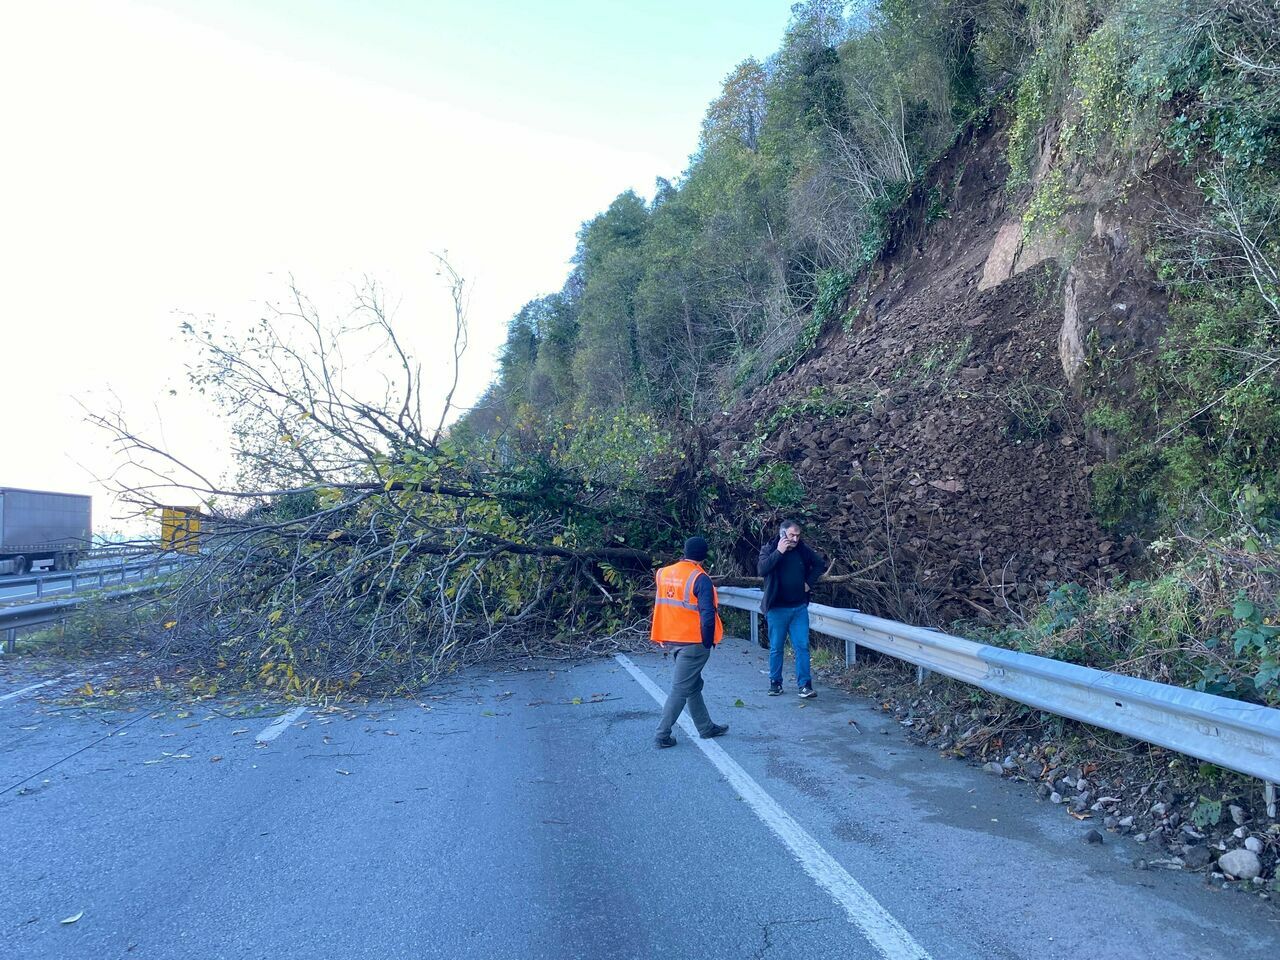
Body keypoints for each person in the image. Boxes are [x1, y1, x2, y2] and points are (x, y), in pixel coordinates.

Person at [650, 535, 729, 749]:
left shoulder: (664, 573)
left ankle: (705, 727)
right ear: (704, 556)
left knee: (692, 684)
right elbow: (707, 614)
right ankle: (662, 734)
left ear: (684, 552)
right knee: (680, 689)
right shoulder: (699, 578)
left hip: (671, 638)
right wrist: (707, 641)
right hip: (693, 642)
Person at [757, 520, 828, 699]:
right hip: (776, 608)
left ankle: (804, 685)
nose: (795, 539)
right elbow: (762, 569)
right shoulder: (769, 548)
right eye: (791, 535)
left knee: (802, 647)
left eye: (798, 535)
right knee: (776, 647)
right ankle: (775, 683)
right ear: (783, 534)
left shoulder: (802, 550)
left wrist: (808, 584)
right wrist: (779, 552)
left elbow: (819, 564)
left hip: (798, 608)